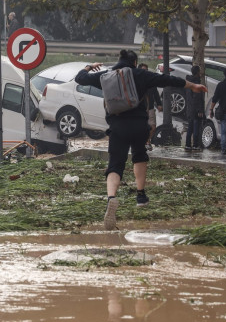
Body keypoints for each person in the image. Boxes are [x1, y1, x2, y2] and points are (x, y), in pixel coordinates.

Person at [76, 50, 207, 230]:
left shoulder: (105, 76)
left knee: (115, 164)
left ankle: (111, 197)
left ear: (118, 60)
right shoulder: (140, 74)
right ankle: (140, 195)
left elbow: (80, 78)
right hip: (138, 125)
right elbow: (166, 79)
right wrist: (191, 86)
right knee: (139, 155)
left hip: (117, 126)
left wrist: (89, 66)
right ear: (135, 62)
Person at [137, 63, 162, 151]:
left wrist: (159, 104)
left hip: (151, 107)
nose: (145, 72)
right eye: (143, 70)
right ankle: (145, 142)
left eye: (146, 70)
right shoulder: (137, 81)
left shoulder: (150, 80)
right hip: (141, 109)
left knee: (153, 127)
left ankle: (147, 141)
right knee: (142, 128)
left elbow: (155, 93)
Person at [184, 65, 205, 151]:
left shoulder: (188, 82)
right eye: (199, 71)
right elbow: (197, 98)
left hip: (190, 108)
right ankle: (195, 145)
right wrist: (200, 110)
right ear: (197, 73)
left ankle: (188, 145)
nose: (200, 73)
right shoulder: (197, 84)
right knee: (196, 128)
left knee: (190, 128)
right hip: (196, 110)